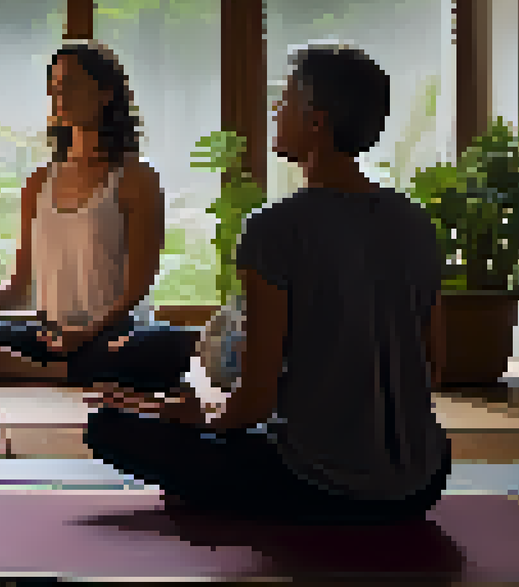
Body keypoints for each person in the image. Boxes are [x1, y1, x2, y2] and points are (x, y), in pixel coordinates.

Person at [84, 44, 453, 524]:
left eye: (285, 99)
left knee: (109, 428)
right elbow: (433, 369)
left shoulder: (274, 227)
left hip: (315, 481)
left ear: (316, 121)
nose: (275, 110)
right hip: (420, 482)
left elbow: (254, 403)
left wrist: (190, 415)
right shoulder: (416, 223)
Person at [0, 42, 194, 391]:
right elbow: (18, 288)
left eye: (71, 84)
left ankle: (45, 372)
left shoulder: (137, 178)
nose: (60, 95)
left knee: (170, 345)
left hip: (113, 332)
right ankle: (66, 369)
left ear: (106, 93)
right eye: (55, 86)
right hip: (50, 334)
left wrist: (87, 332)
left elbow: (139, 287)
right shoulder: (40, 181)